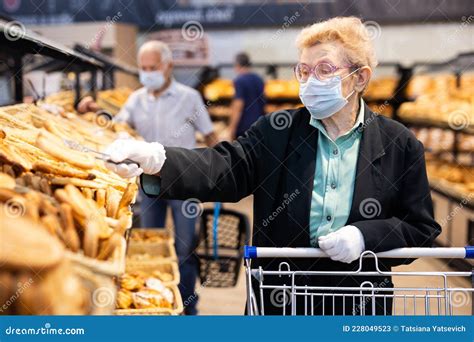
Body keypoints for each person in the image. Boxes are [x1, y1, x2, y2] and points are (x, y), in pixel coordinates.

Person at [105, 17, 440, 315]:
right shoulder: (278, 131)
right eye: (303, 71)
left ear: (359, 78)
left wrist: (365, 236)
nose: (309, 81)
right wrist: (159, 159)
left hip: (358, 302)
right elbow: (225, 167)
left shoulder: (400, 144)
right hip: (281, 296)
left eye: (324, 70)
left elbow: (420, 229)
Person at [114, 40, 218, 315]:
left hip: (184, 181)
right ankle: (160, 305)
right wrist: (94, 113)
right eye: (143, 68)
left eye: (153, 67)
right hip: (148, 183)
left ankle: (187, 306)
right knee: (153, 245)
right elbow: (118, 125)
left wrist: (218, 174)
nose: (148, 73)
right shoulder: (136, 99)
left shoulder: (189, 97)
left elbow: (209, 135)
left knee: (185, 248)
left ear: (168, 66)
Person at [228, 53, 265, 139]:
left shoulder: (239, 81)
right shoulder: (259, 79)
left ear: (237, 64)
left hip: (243, 127)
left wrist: (232, 128)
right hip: (259, 124)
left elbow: (238, 106)